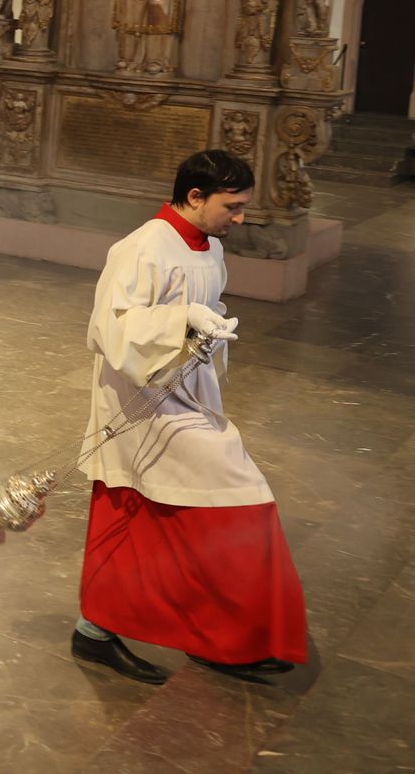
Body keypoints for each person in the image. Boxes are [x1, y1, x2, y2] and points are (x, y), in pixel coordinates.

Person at [71, 149, 306, 686]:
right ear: (195, 196)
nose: (241, 218)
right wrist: (183, 320)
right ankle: (119, 630)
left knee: (178, 510)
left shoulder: (211, 247)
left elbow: (202, 312)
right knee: (232, 495)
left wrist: (211, 328)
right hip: (140, 400)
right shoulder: (141, 247)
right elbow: (108, 331)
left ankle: (211, 634)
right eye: (234, 206)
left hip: (187, 392)